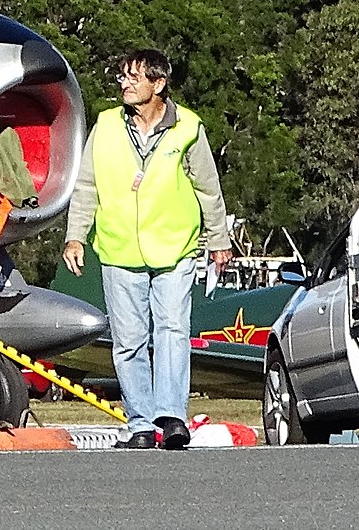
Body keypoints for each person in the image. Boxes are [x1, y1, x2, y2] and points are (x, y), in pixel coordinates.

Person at [62, 49, 232, 450]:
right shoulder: (105, 126)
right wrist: (75, 235)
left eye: (134, 77)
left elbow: (208, 187)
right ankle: (139, 423)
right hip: (119, 249)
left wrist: (219, 238)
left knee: (172, 331)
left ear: (158, 84)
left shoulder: (188, 127)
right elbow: (86, 186)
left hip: (176, 248)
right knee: (129, 340)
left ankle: (172, 417)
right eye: (122, 76)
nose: (125, 83)